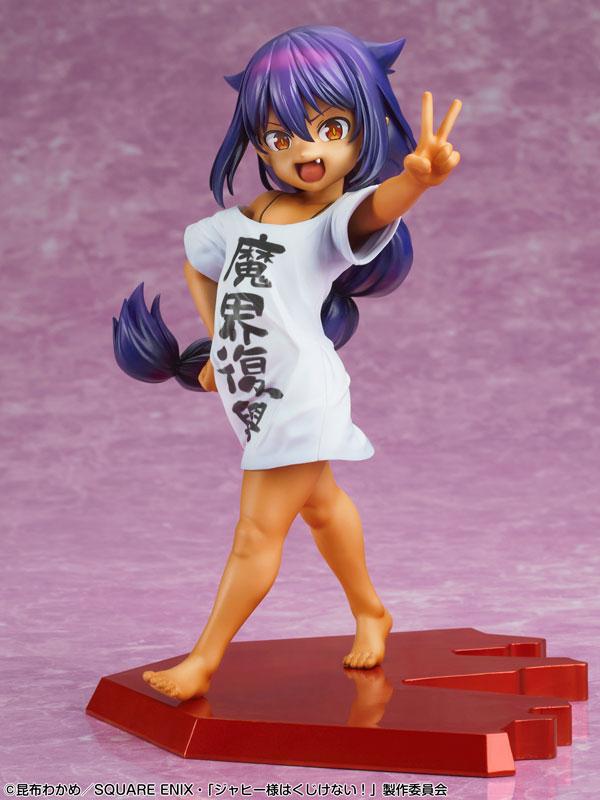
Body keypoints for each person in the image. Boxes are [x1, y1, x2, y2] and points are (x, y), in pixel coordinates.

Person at [113, 25, 461, 701]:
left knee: (255, 533)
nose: (306, 150)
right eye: (280, 135)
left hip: (301, 397)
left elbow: (373, 210)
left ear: (364, 127)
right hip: (256, 401)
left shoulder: (332, 222)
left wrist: (415, 181)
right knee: (323, 507)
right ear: (258, 140)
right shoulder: (250, 216)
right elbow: (197, 263)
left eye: (331, 128)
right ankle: (372, 611)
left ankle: (203, 660)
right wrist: (217, 343)